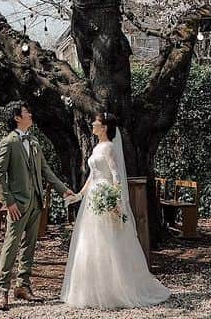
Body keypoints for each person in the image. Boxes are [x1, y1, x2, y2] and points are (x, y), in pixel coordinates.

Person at [60, 111, 171, 309]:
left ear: (104, 127)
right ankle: (91, 291)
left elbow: (116, 175)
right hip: (93, 199)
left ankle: (115, 290)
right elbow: (93, 175)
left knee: (109, 242)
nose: (93, 123)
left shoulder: (109, 148)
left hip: (105, 196)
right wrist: (79, 194)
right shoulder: (97, 147)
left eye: (96, 122)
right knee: (89, 242)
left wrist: (115, 201)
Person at [0, 101, 74, 311]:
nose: (31, 114)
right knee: (11, 245)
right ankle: (2, 290)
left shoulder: (35, 142)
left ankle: (23, 286)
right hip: (17, 203)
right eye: (27, 112)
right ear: (17, 117)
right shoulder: (8, 142)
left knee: (29, 245)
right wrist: (8, 201)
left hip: (36, 202)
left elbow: (46, 171)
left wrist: (63, 190)